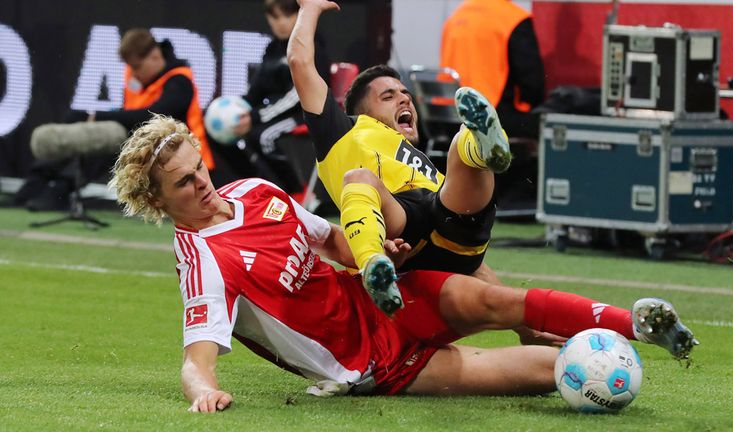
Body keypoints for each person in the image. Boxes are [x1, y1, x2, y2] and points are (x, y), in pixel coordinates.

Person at [108, 115, 698, 412]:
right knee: (553, 371)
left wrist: (373, 254)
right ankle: (600, 359)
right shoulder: (202, 262)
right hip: (374, 365)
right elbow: (197, 358)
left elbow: (332, 242)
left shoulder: (257, 192)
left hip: (382, 297)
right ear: (158, 201)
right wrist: (204, 393)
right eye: (185, 184)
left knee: (497, 301)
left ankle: (639, 324)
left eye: (200, 169)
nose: (202, 185)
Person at [287, 0, 513, 313]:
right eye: (388, 96)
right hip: (399, 230)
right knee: (360, 179)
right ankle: (373, 268)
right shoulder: (342, 131)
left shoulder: (418, 159)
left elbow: (478, 269)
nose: (403, 98)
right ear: (361, 112)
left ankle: (489, 150)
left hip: (451, 227)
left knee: (462, 143)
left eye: (405, 94)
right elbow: (300, 62)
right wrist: (310, 8)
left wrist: (522, 325)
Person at [16, 28, 213, 210]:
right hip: (143, 141)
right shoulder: (137, 75)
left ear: (154, 57)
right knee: (79, 121)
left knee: (107, 141)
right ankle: (37, 181)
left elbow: (152, 115)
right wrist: (89, 117)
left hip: (179, 153)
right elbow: (130, 111)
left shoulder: (180, 81)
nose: (133, 73)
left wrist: (96, 116)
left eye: (137, 67)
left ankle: (60, 189)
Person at [213, 0, 331, 194]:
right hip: (276, 112)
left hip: (307, 111)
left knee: (264, 137)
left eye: (287, 15)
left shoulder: (310, 45)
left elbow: (299, 95)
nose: (281, 23)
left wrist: (255, 116)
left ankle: (296, 192)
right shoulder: (272, 48)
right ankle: (257, 189)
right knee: (233, 133)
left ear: (299, 15)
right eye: (275, 17)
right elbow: (258, 87)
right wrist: (242, 109)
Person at [441, 0, 546, 140]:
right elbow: (533, 85)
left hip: (451, 120)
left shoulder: (456, 17)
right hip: (492, 119)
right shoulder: (514, 18)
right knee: (549, 122)